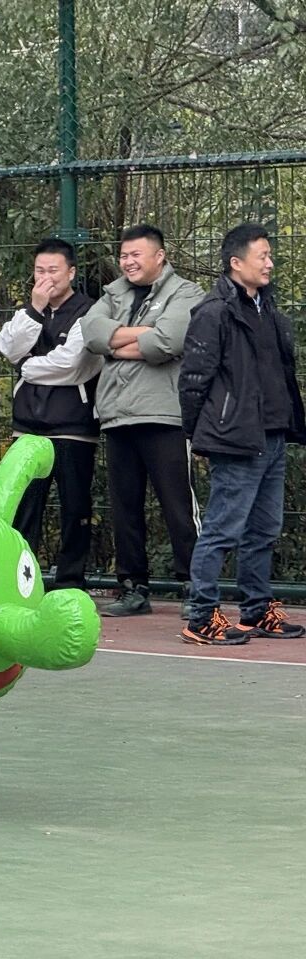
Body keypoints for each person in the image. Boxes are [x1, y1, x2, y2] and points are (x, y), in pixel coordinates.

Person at [178, 223, 306, 644]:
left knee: (264, 529)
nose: (269, 263)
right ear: (236, 262)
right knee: (222, 529)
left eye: (270, 255)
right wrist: (201, 433)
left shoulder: (268, 309)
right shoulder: (213, 312)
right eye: (262, 256)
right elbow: (193, 380)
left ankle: (256, 610)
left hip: (272, 435)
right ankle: (201, 616)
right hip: (234, 439)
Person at [83, 224, 204, 618]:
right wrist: (141, 338)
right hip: (117, 416)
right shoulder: (112, 293)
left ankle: (196, 588)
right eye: (123, 255)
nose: (128, 262)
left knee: (178, 506)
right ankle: (133, 588)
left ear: (159, 255)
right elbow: (91, 333)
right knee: (124, 508)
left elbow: (168, 341)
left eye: (136, 254)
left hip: (165, 416)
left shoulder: (186, 293)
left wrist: (115, 344)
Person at [0, 238, 100, 590]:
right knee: (24, 507)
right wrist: (35, 310)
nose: (46, 277)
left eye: (53, 270)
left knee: (75, 508)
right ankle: (21, 581)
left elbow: (72, 365)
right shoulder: (30, 310)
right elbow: (7, 348)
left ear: (71, 272)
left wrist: (26, 366)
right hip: (27, 428)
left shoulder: (88, 311)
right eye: (39, 270)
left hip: (73, 427)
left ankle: (71, 582)